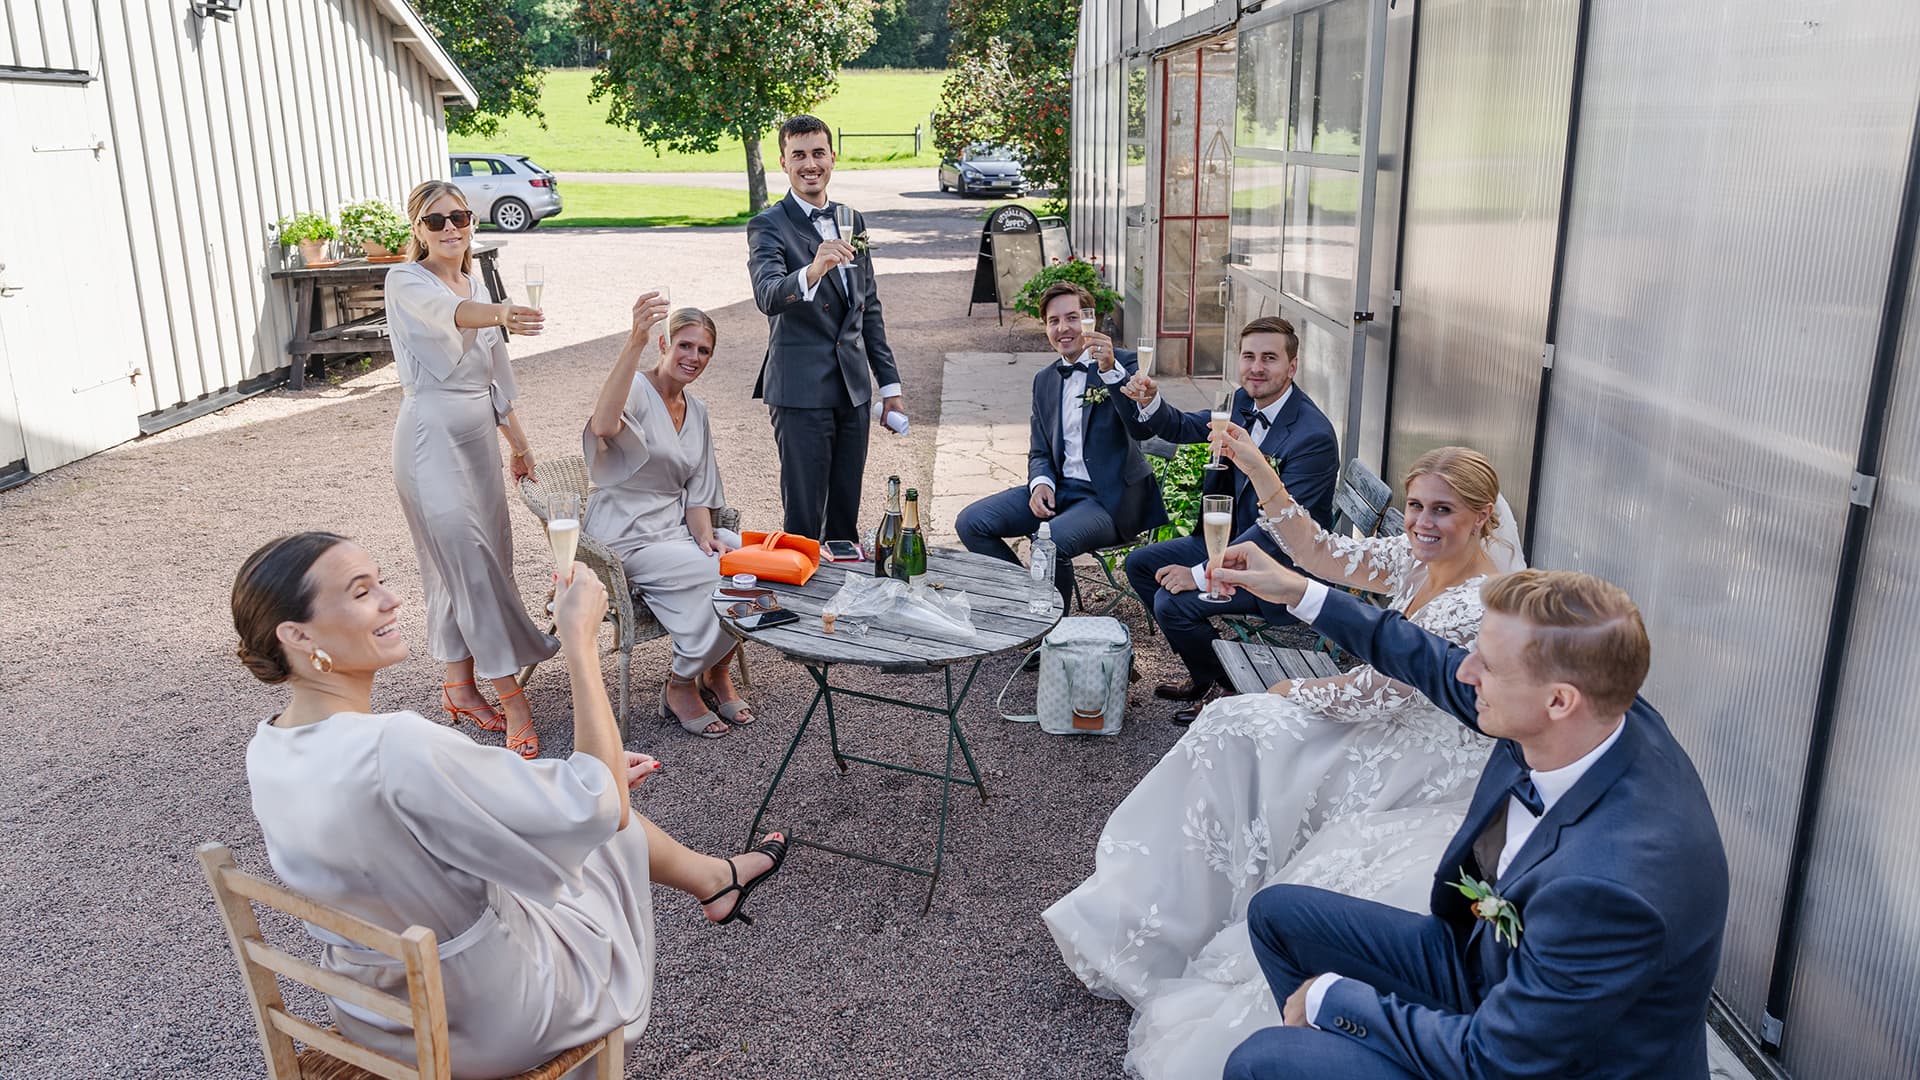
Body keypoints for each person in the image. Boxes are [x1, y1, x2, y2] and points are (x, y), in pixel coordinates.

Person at [1044, 446, 1524, 1080]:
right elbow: (1322, 553)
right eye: (1415, 506)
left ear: (1483, 516)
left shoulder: (1476, 602)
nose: (1422, 522)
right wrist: (1255, 467)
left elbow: (1380, 695)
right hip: (1372, 717)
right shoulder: (1415, 557)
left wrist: (1291, 688)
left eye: (1443, 510)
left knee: (1238, 727)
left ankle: (1200, 919)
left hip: (1408, 751)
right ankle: (1155, 917)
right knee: (1228, 728)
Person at [235, 532, 788, 1077]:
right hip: (482, 1022)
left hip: (372, 1014)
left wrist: (568, 785)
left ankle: (714, 879)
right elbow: (597, 809)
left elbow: (405, 822)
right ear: (297, 635)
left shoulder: (269, 747)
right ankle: (715, 881)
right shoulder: (395, 744)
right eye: (362, 592)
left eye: (381, 582)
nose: (391, 600)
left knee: (574, 813)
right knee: (607, 831)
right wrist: (580, 645)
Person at [1207, 556, 1728, 1080]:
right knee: (1277, 914)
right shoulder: (1589, 714)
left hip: (1547, 1062)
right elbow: (1427, 659)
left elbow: (1494, 1061)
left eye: (1489, 666)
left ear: (1558, 700)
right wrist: (1299, 591)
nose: (1466, 671)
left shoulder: (1610, 886)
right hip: (1486, 967)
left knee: (1263, 1061)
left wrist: (1333, 999)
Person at [385, 179, 556, 758]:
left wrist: (521, 446)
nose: (450, 228)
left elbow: (495, 374)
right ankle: (513, 700)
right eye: (436, 220)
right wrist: (504, 311)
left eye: (459, 217)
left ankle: (458, 687)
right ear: (418, 228)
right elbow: (452, 315)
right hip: (429, 439)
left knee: (467, 565)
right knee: (468, 564)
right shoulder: (406, 280)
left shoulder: (475, 282)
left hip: (479, 440)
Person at [1118, 317, 1339, 723]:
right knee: (1140, 564)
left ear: (1292, 366)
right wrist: (1151, 401)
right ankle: (1210, 673)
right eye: (1249, 356)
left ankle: (1227, 689)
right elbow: (1185, 426)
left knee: (1173, 602)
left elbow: (1280, 531)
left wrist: (1200, 573)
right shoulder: (1242, 401)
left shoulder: (1312, 437)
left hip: (1279, 567)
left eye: (1269, 358)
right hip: (1232, 540)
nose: (1256, 367)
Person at [584, 299, 752, 739]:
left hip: (674, 527)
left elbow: (698, 491)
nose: (693, 357)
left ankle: (716, 671)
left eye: (703, 350)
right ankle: (680, 684)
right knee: (722, 573)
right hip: (626, 532)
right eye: (685, 345)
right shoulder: (637, 389)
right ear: (663, 344)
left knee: (748, 560)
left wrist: (705, 537)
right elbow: (603, 426)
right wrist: (633, 340)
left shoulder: (698, 411)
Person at [953, 282, 1166, 600]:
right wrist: (1041, 483)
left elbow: (1143, 428)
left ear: (1091, 321)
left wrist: (1110, 371)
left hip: (1109, 501)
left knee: (1048, 543)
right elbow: (1040, 449)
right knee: (972, 522)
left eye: (1072, 318)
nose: (1063, 328)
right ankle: (1025, 597)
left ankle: (1054, 623)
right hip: (1061, 490)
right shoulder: (1045, 379)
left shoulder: (1126, 365)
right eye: (1054, 321)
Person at [747, 114, 904, 542]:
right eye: (799, 155)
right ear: (784, 162)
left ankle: (844, 585)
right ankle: (802, 586)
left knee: (844, 519)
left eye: (818, 153)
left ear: (833, 157)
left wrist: (889, 387)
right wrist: (814, 269)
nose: (810, 164)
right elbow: (767, 296)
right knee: (803, 522)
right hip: (799, 391)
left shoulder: (853, 219)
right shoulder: (768, 225)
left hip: (853, 391)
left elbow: (868, 308)